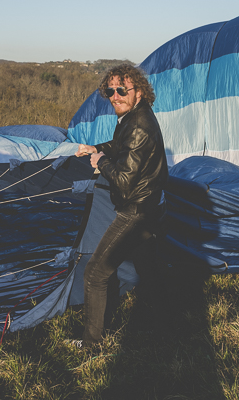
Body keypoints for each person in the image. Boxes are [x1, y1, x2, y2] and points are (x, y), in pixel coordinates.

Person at [73, 63, 168, 349]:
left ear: (138, 91)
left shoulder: (138, 125)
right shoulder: (133, 117)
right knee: (148, 269)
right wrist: (98, 149)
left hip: (136, 211)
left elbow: (124, 182)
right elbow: (121, 146)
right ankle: (162, 328)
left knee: (96, 272)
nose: (115, 96)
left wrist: (99, 163)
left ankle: (92, 345)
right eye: (110, 90)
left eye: (121, 90)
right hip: (151, 206)